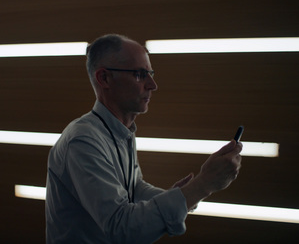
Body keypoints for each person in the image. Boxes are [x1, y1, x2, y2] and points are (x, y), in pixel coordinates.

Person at [45, 34, 242, 243]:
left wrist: (182, 195)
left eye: (150, 73)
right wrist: (202, 185)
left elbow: (134, 189)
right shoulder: (83, 141)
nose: (153, 84)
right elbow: (122, 228)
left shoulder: (120, 130)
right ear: (104, 78)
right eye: (139, 74)